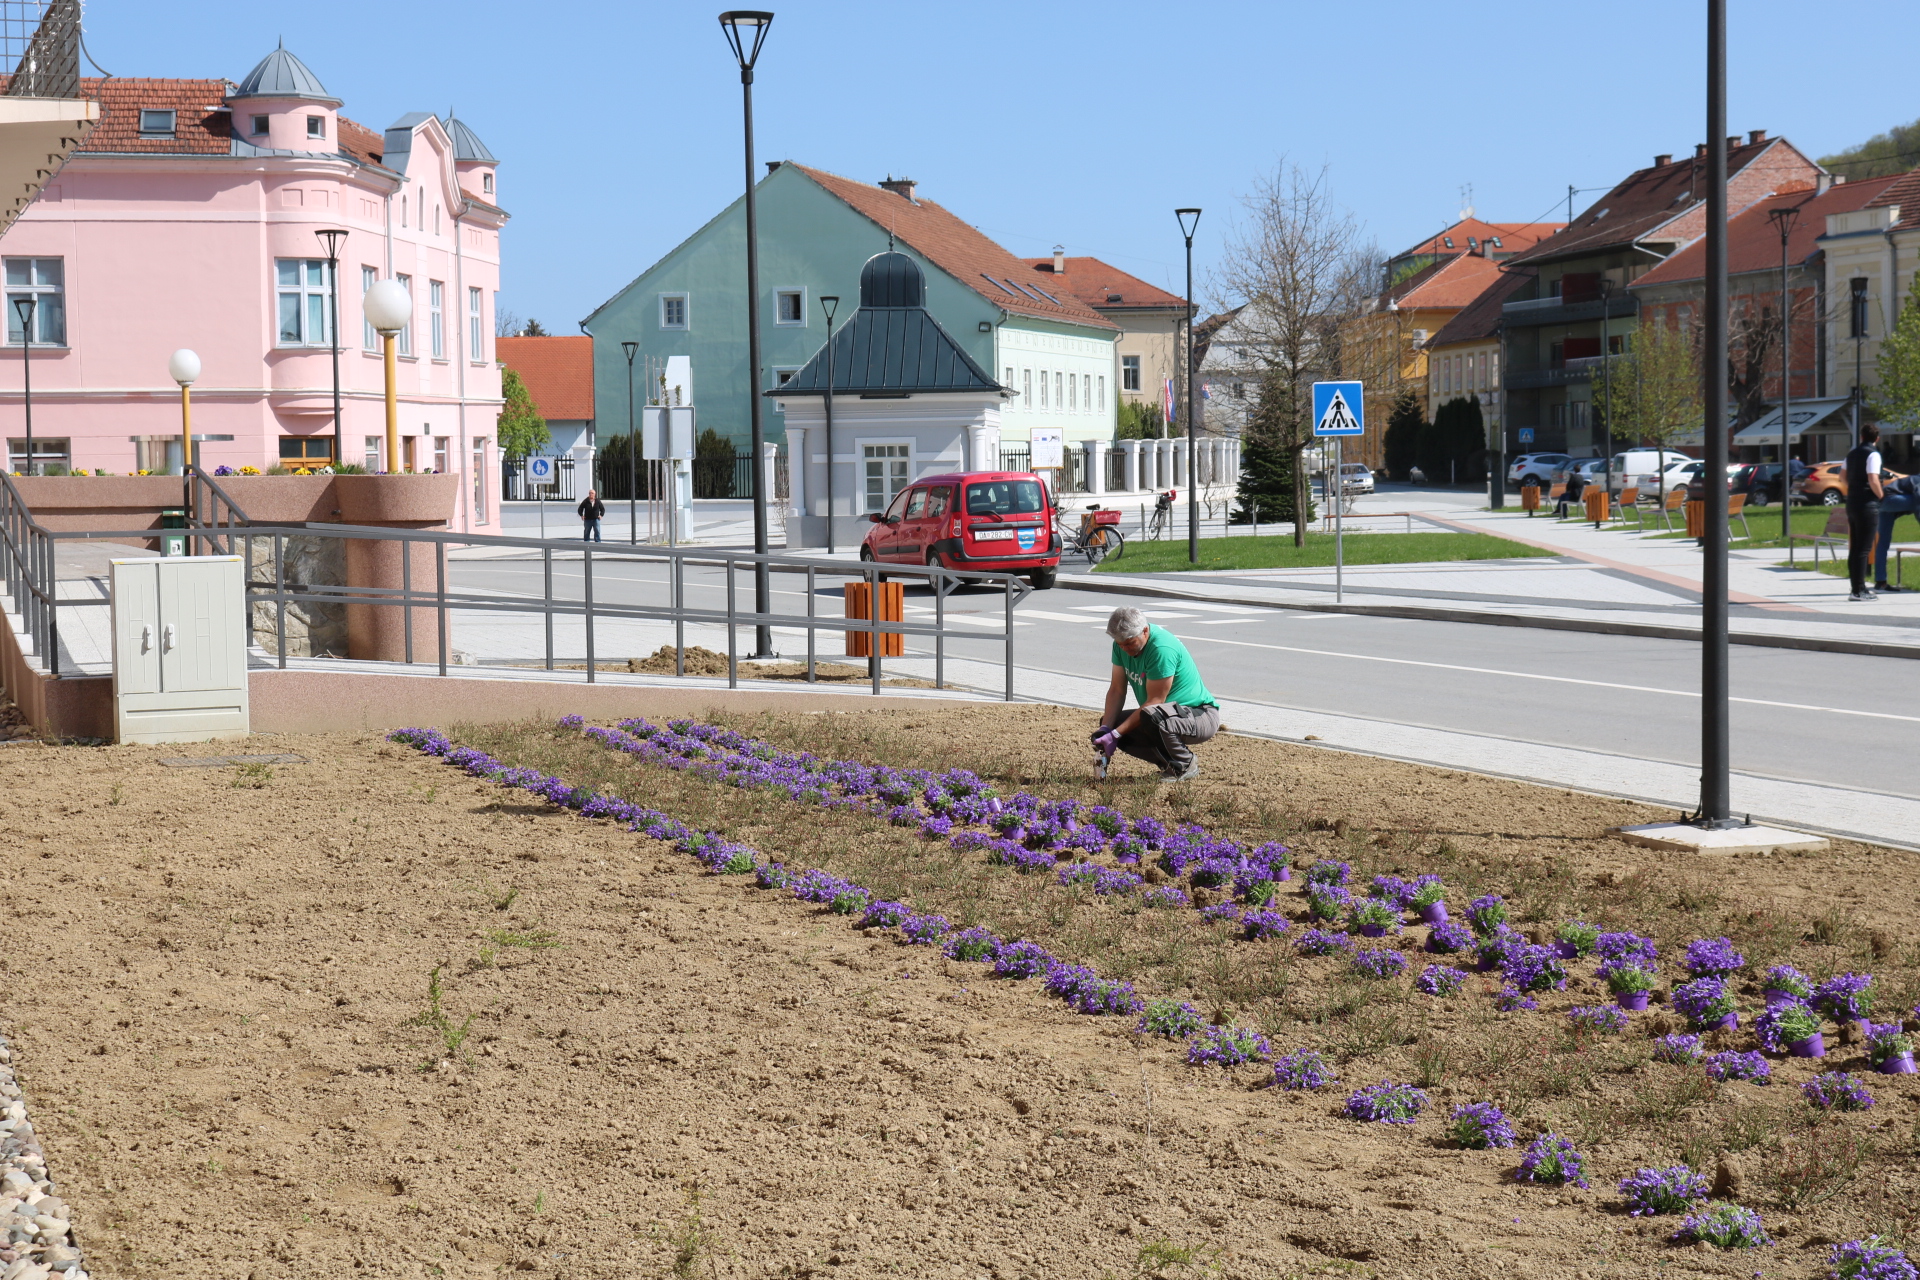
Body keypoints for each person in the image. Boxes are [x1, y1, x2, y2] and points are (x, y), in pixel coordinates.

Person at [1096, 606, 1219, 782]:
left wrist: (1115, 735)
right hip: (1163, 714)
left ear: (1145, 631)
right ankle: (1169, 764)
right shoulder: (1121, 645)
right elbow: (1116, 689)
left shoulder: (1161, 649)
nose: (1125, 649)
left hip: (1199, 715)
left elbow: (1155, 701)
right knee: (1117, 723)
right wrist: (1106, 729)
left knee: (1151, 718)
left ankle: (1184, 765)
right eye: (1120, 644)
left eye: (1130, 643)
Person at [1845, 425, 1884, 602]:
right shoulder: (1873, 454)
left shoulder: (1852, 453)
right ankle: (1859, 590)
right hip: (1867, 503)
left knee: (1855, 547)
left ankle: (1855, 587)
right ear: (1877, 438)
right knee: (1864, 548)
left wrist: (1854, 488)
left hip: (1852, 502)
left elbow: (1841, 477)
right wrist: (1881, 495)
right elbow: (1873, 479)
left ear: (1861, 437)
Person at [1874, 471, 1918, 593]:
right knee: (1917, 500)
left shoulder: (1913, 478)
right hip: (1890, 500)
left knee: (1883, 542)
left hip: (1884, 502)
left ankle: (1880, 583)